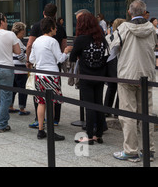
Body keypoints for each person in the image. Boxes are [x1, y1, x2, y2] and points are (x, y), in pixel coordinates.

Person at [110, 0, 157, 162]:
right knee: (146, 113)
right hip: (147, 75)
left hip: (127, 75)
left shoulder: (123, 28)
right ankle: (149, 150)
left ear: (130, 12)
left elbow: (112, 47)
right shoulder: (152, 29)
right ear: (145, 12)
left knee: (128, 114)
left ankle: (131, 150)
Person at [29, 17, 72, 141]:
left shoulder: (37, 41)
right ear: (51, 28)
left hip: (40, 74)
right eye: (55, 27)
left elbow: (32, 59)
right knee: (51, 103)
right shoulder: (52, 41)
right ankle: (51, 131)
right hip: (52, 75)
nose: (57, 29)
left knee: (41, 102)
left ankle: (41, 130)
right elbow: (59, 59)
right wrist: (66, 51)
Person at [26, 3, 67, 127]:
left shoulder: (36, 32)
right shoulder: (58, 33)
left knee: (40, 100)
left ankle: (40, 126)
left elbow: (29, 47)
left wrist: (29, 61)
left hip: (39, 71)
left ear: (44, 13)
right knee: (53, 100)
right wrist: (66, 53)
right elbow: (61, 52)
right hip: (52, 71)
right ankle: (53, 122)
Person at [70, 13, 108, 145]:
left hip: (86, 76)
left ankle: (90, 135)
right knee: (98, 104)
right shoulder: (102, 38)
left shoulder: (81, 39)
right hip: (100, 75)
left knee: (89, 106)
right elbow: (106, 57)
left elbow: (72, 58)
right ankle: (99, 134)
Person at [103, 18, 125, 115]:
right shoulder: (123, 37)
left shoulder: (108, 37)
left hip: (110, 62)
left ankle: (107, 110)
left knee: (111, 87)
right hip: (120, 62)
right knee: (121, 87)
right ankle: (117, 110)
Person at [9, 22, 30, 116]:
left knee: (12, 89)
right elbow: (21, 57)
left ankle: (10, 106)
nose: (24, 33)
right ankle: (22, 108)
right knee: (22, 90)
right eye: (23, 31)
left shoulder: (10, 40)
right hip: (20, 70)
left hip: (12, 69)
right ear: (20, 31)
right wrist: (28, 58)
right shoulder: (18, 42)